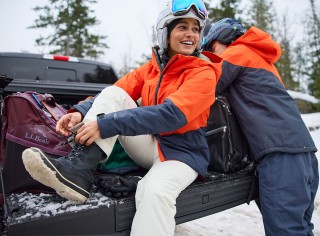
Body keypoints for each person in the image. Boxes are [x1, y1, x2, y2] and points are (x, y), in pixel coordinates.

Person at [22, 1, 221, 235]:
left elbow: (172, 114)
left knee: (153, 192)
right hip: (152, 145)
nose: (190, 34)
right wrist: (79, 111)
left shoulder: (203, 73)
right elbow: (115, 92)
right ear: (165, 32)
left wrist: (105, 125)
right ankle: (79, 170)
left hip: (182, 154)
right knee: (114, 94)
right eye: (182, 27)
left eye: (196, 29)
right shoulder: (150, 69)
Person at [203, 18, 319, 236]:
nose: (212, 55)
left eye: (211, 48)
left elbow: (202, 89)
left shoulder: (236, 53)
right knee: (301, 228)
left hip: (280, 158)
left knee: (285, 232)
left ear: (222, 39)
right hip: (304, 156)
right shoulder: (264, 62)